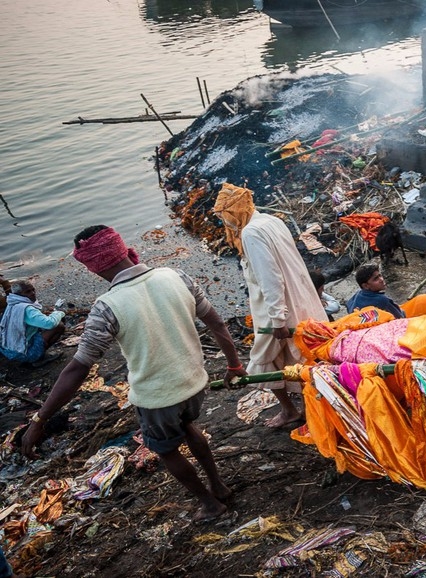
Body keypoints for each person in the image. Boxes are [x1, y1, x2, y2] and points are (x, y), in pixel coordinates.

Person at [19, 226, 247, 521]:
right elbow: (217, 323)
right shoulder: (175, 276)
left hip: (158, 397)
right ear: (121, 249)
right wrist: (234, 365)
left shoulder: (107, 306)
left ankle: (210, 504)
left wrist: (40, 419)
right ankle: (218, 486)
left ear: (93, 266)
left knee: (166, 450)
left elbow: (78, 367)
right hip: (194, 382)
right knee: (188, 426)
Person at [212, 184, 328, 429]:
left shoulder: (251, 233)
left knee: (265, 358)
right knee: (298, 358)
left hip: (277, 309)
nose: (226, 223)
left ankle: (293, 411)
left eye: (225, 216)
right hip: (299, 299)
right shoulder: (272, 220)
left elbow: (270, 278)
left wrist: (277, 319)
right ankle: (304, 410)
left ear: (234, 212)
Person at [0, 279, 66, 365]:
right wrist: (59, 313)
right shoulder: (26, 308)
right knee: (59, 325)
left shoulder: (11, 303)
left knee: (46, 321)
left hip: (8, 350)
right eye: (28, 292)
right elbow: (49, 324)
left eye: (33, 290)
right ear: (19, 295)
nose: (33, 293)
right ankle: (37, 358)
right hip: (22, 353)